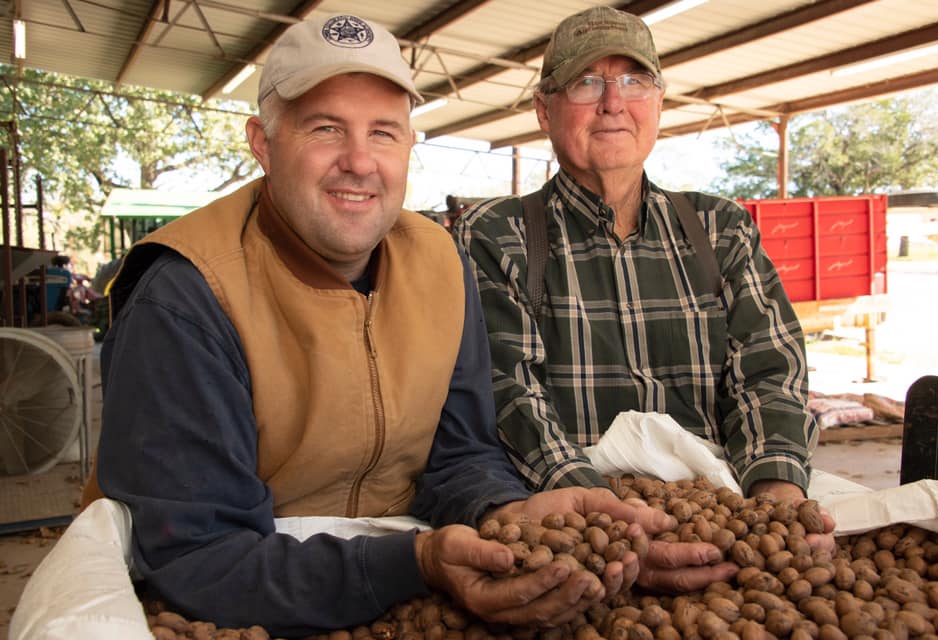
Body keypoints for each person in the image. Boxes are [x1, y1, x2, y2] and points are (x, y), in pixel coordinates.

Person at [79, 12, 736, 638]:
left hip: (389, 580)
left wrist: (505, 513)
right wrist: (417, 564)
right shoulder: (188, 296)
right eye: (325, 129)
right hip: (233, 599)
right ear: (263, 144)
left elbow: (459, 455)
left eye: (384, 132)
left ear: (409, 146)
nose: (360, 162)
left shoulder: (439, 263)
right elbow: (197, 560)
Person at [454, 6, 835, 550]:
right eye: (587, 84)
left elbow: (769, 370)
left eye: (634, 81)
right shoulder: (496, 236)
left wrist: (774, 497)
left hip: (723, 505)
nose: (613, 103)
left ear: (658, 102)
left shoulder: (718, 229)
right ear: (544, 109)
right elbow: (507, 391)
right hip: (572, 521)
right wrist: (599, 513)